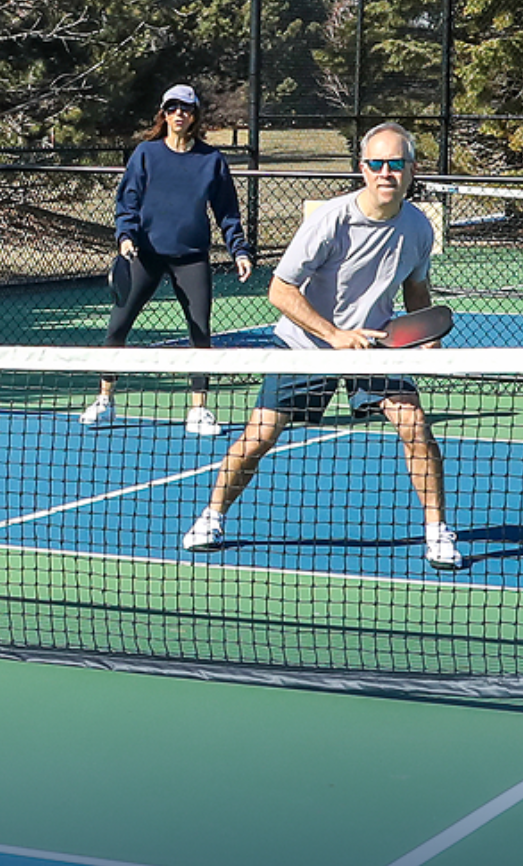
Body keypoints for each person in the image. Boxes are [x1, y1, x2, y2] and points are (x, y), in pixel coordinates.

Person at [181, 122, 460, 571]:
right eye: (376, 163)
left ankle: (438, 532)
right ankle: (211, 517)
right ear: (362, 168)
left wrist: (422, 337)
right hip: (307, 343)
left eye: (395, 164)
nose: (385, 172)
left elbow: (416, 290)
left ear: (411, 170)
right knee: (259, 438)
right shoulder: (331, 219)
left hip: (375, 344)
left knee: (414, 424)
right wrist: (333, 336)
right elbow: (280, 290)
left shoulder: (418, 228)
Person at [87, 84, 256, 437]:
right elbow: (127, 202)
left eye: (187, 109)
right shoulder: (146, 154)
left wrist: (238, 249)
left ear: (195, 117)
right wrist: (126, 236)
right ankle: (105, 401)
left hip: (192, 258)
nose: (179, 114)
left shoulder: (211, 161)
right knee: (117, 327)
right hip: (144, 256)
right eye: (173, 108)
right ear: (163, 114)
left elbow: (227, 212)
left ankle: (198, 410)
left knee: (200, 333)